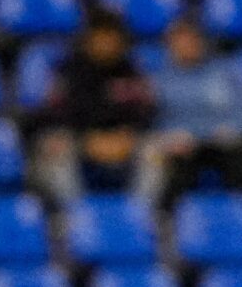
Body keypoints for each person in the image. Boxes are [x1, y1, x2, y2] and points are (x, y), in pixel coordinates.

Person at [31, 11, 155, 203]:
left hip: (123, 140)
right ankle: (73, 216)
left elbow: (146, 110)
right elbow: (54, 114)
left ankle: (140, 216)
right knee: (55, 146)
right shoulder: (68, 70)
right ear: (89, 38)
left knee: (155, 152)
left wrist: (128, 135)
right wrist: (87, 139)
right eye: (101, 36)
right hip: (78, 138)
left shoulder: (131, 70)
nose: (107, 42)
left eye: (112, 36)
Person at [143, 16, 242, 203]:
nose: (188, 45)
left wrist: (235, 129)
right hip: (180, 144)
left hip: (222, 141)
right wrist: (168, 136)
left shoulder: (225, 72)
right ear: (169, 45)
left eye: (192, 39)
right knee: (170, 162)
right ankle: (170, 219)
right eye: (180, 41)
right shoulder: (158, 80)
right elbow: (152, 117)